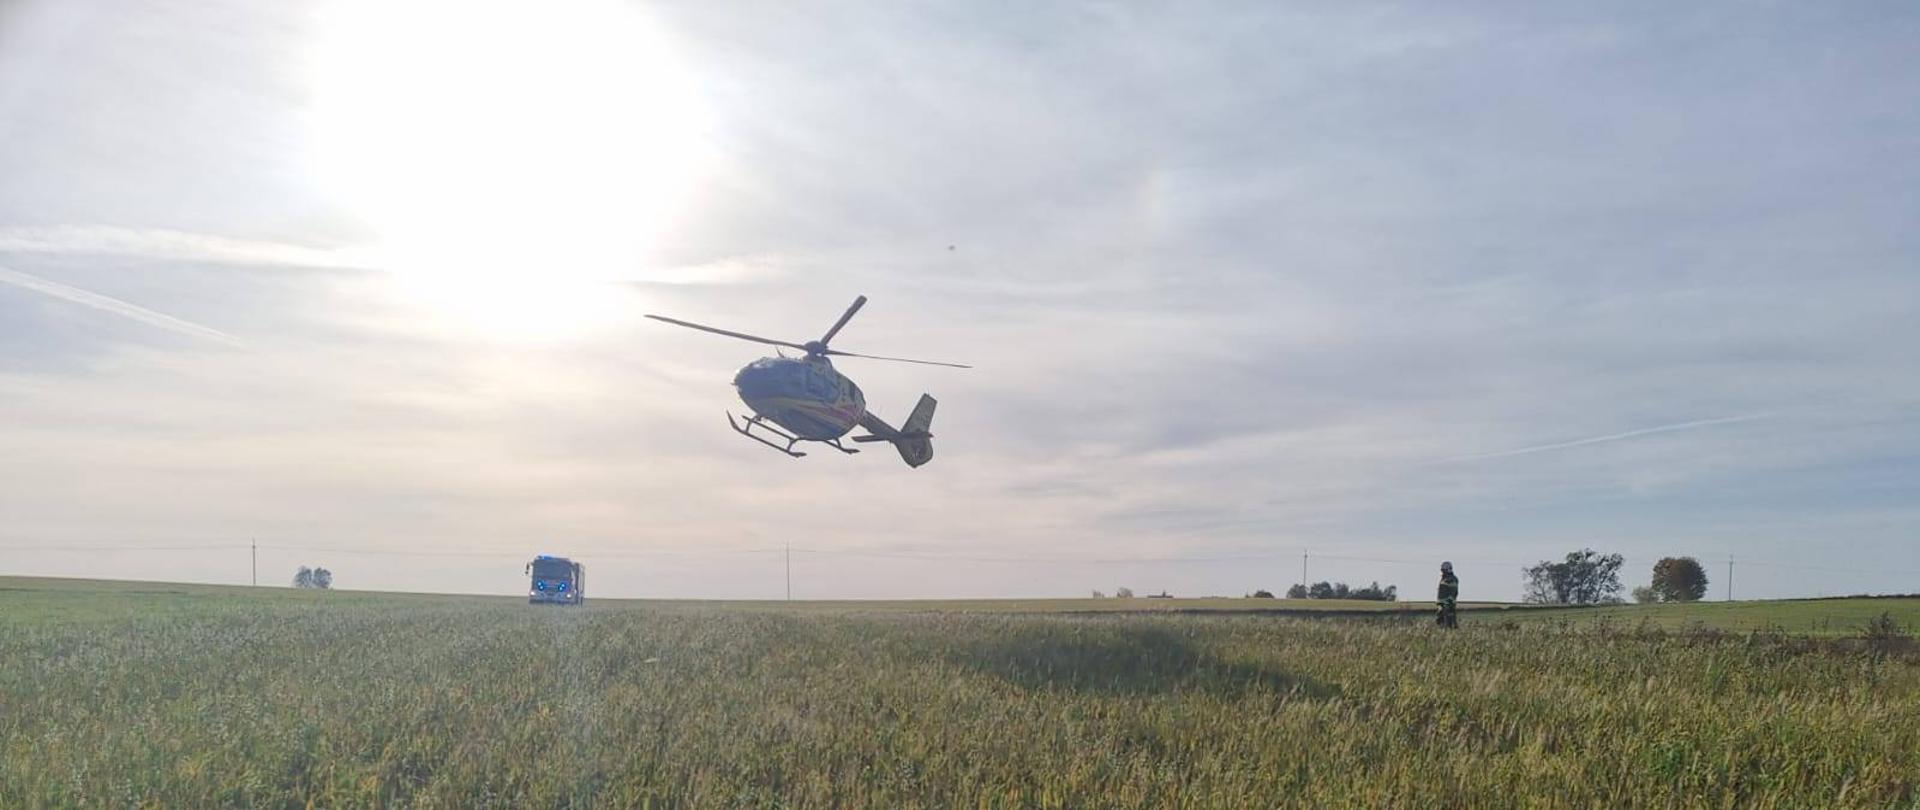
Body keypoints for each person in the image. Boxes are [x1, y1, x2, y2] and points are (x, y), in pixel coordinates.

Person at [1436, 561, 1459, 628]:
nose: (1442, 572)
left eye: (1443, 570)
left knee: (1448, 623)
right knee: (1440, 622)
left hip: (1447, 605)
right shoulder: (1444, 578)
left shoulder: (1451, 579)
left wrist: (1448, 604)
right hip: (1442, 605)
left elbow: (1453, 592)